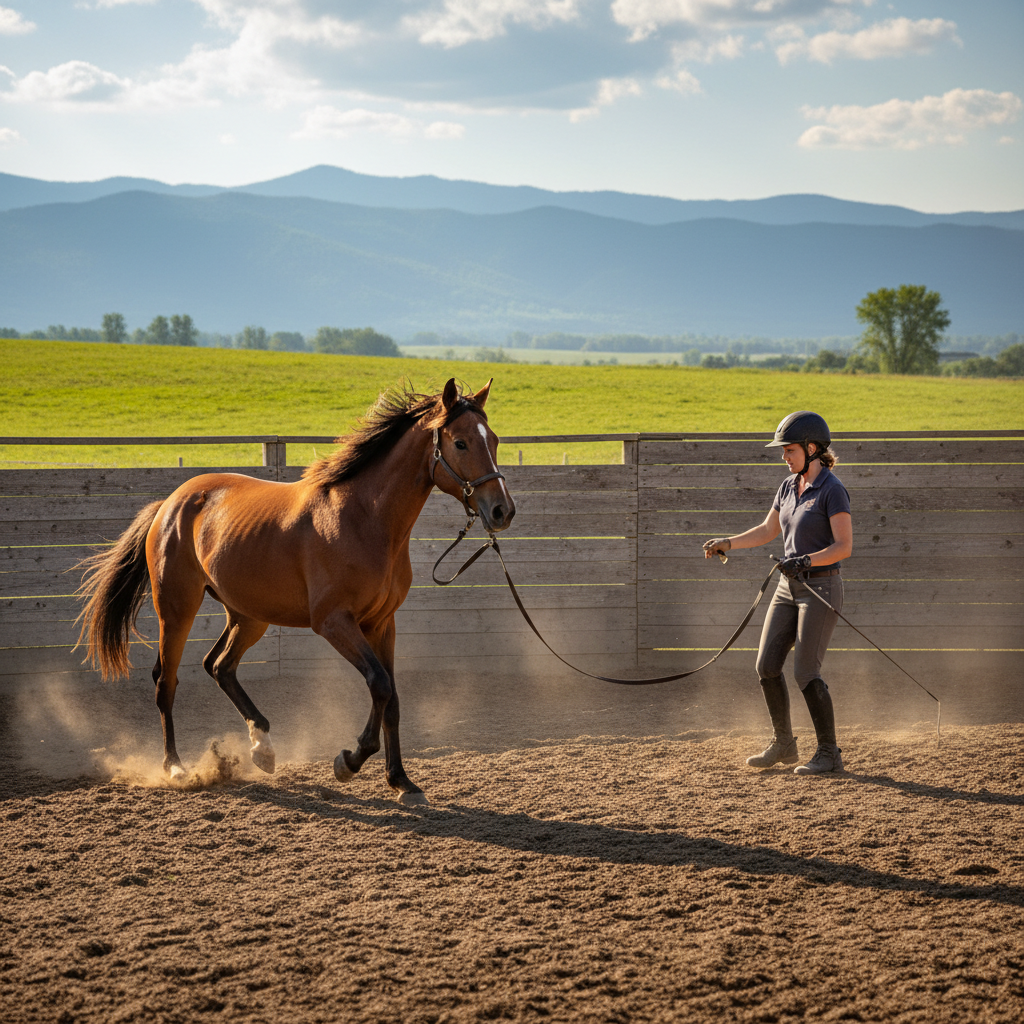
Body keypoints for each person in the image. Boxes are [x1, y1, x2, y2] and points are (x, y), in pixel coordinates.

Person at [702, 411, 853, 774]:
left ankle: (829, 753)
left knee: (805, 672)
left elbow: (844, 546)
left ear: (812, 448)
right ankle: (784, 743)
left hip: (820, 589)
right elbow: (769, 529)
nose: (784, 456)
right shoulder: (788, 487)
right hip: (789, 587)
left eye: (789, 450)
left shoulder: (832, 490)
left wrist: (805, 560)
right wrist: (729, 543)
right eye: (783, 451)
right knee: (766, 665)